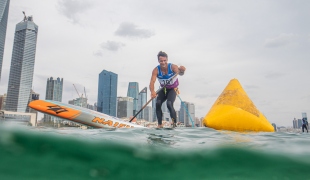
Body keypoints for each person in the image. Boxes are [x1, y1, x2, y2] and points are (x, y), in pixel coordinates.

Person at [149, 51, 186, 128]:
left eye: (165, 60)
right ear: (158, 61)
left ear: (167, 60)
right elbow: (152, 82)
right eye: (161, 61)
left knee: (169, 104)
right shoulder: (156, 70)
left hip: (173, 89)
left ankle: (174, 123)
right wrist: (152, 92)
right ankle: (159, 124)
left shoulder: (172, 67)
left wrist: (182, 71)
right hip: (163, 88)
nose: (163, 62)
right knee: (158, 103)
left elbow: (180, 73)